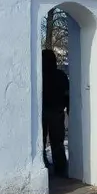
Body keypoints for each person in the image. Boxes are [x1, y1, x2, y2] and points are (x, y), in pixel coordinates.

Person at [41, 49, 69, 178]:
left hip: (42, 111)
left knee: (40, 141)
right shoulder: (61, 75)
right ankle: (60, 167)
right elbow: (66, 93)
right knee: (57, 141)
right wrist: (68, 108)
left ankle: (43, 164)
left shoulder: (40, 75)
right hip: (57, 111)